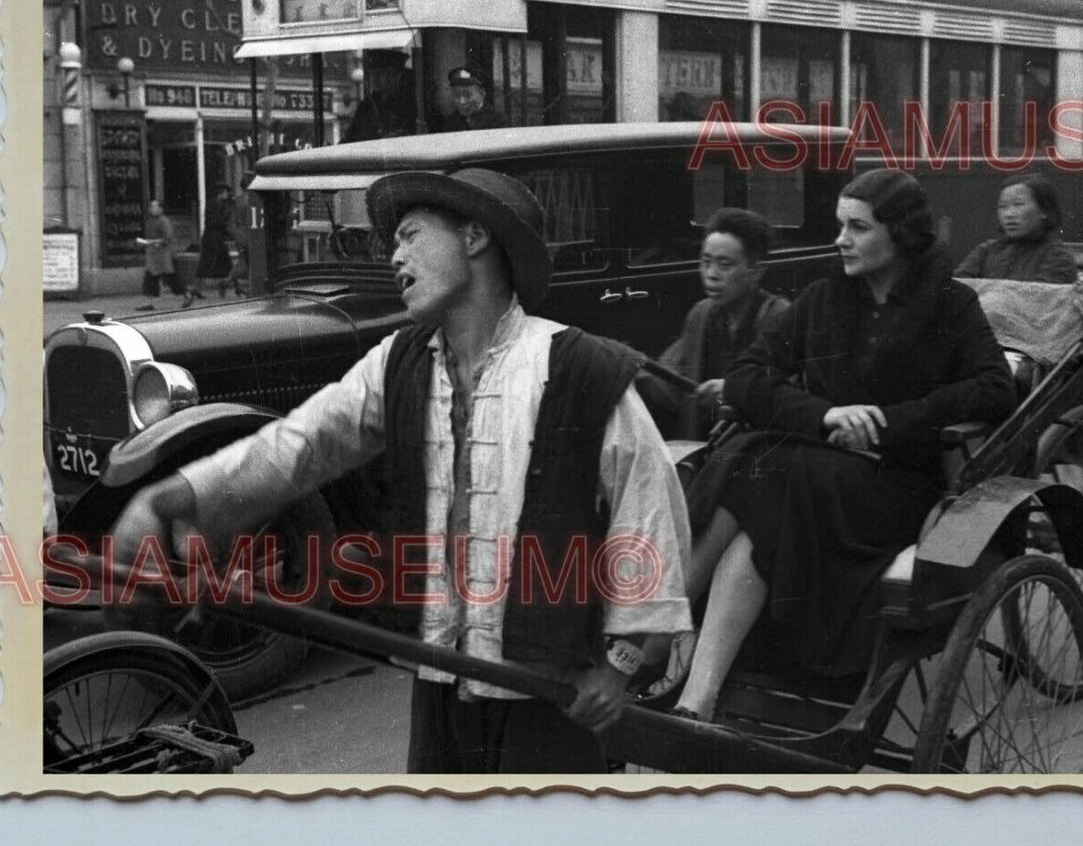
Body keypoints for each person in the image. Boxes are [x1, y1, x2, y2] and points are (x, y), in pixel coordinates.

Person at [107, 168, 693, 773]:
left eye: (411, 235)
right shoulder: (400, 363)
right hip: (441, 677)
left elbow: (646, 510)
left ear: (474, 238)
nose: (394, 256)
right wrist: (175, 498)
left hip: (549, 695)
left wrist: (621, 665)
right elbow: (299, 445)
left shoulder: (579, 368)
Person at [670, 169, 1016, 722]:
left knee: (762, 466)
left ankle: (659, 628)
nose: (841, 239)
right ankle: (697, 699)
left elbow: (996, 388)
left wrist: (889, 420)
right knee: (760, 509)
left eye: (857, 227)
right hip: (818, 477)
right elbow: (746, 376)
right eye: (839, 226)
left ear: (900, 234)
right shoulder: (824, 297)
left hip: (895, 486)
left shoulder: (949, 303)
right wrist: (826, 413)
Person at [654, 208, 790, 440]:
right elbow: (670, 379)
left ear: (756, 271)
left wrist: (733, 390)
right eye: (705, 262)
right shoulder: (701, 314)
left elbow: (789, 393)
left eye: (724, 265)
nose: (711, 274)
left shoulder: (779, 316)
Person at [953, 174, 1079, 284]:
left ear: (1044, 210)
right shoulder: (986, 251)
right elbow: (957, 287)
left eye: (1018, 204)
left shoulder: (1058, 257)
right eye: (1003, 206)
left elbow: (1039, 299)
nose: (1009, 214)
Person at [135, 199, 193, 311]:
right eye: (151, 207)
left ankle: (187, 293)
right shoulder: (150, 221)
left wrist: (151, 242)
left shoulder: (164, 221)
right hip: (153, 256)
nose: (152, 209)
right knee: (150, 279)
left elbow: (168, 238)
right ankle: (148, 302)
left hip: (164, 255)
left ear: (161, 209)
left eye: (155, 207)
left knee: (171, 280)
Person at [193, 183, 234, 298]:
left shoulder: (219, 204)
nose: (228, 194)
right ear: (220, 193)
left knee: (225, 264)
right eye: (226, 192)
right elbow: (217, 222)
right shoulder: (215, 205)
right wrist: (227, 226)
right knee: (206, 264)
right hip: (213, 240)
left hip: (215, 239)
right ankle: (223, 285)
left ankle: (223, 285)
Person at [443, 66, 507, 131]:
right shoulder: (452, 121)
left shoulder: (497, 120)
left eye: (467, 95)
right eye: (457, 95)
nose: (462, 101)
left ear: (482, 94)